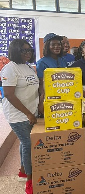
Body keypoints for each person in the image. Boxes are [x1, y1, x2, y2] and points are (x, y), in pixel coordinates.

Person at [0, 39, 39, 194]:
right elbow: (9, 94)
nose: (28, 52)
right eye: (24, 50)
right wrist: (28, 113)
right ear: (15, 50)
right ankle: (29, 180)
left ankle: (23, 170)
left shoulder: (27, 67)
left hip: (30, 112)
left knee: (24, 143)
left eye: (29, 50)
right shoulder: (10, 68)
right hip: (18, 115)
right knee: (28, 143)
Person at [36, 33, 67, 115]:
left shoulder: (62, 60)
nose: (57, 46)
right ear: (47, 46)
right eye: (53, 44)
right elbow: (41, 84)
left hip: (64, 94)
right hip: (50, 97)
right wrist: (42, 101)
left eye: (59, 44)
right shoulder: (41, 63)